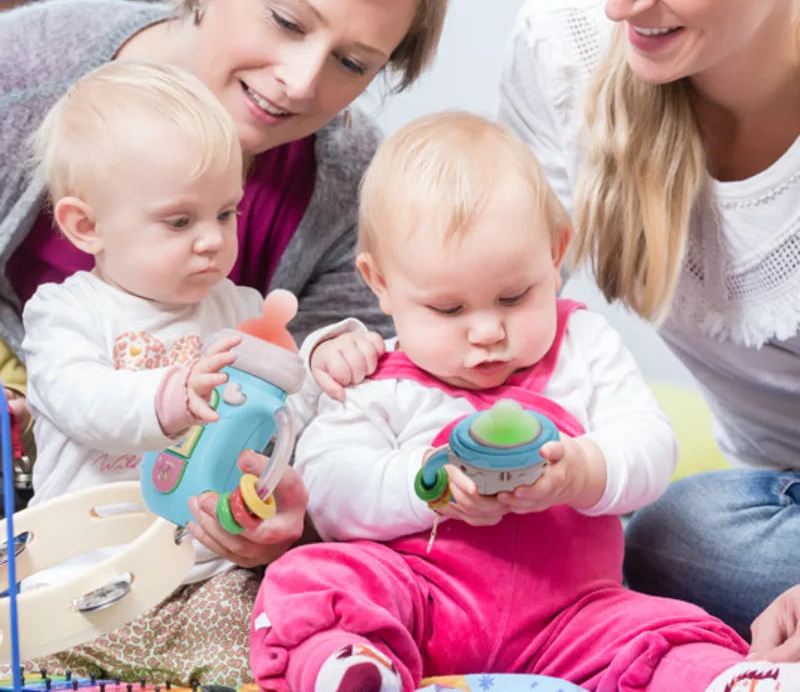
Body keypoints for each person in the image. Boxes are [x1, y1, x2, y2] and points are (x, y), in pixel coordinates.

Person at [249, 111, 800, 692]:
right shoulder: (374, 374)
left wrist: (584, 472)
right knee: (308, 579)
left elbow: (650, 444)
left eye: (514, 296)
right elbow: (330, 487)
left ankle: (730, 681)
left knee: (665, 630)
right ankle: (355, 668)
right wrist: (425, 486)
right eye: (449, 309)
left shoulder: (580, 345)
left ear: (555, 253)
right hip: (418, 600)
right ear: (379, 283)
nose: (487, 331)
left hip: (574, 614)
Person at [0, 0, 454, 571]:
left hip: (182, 543)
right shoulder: (25, 76)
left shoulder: (354, 195)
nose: (301, 83)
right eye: (287, 21)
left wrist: (299, 516)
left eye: (352, 64)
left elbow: (330, 422)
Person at [497, 0, 800, 661]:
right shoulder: (566, 39)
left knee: (669, 535)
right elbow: (494, 297)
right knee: (668, 534)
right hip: (765, 501)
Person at [14, 60, 348, 682]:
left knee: (277, 623)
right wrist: (170, 396)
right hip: (85, 579)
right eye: (179, 220)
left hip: (207, 574)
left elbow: (290, 418)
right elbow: (76, 397)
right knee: (24, 649)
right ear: (86, 227)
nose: (211, 241)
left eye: (226, 214)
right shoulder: (66, 311)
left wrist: (326, 360)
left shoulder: (243, 310)